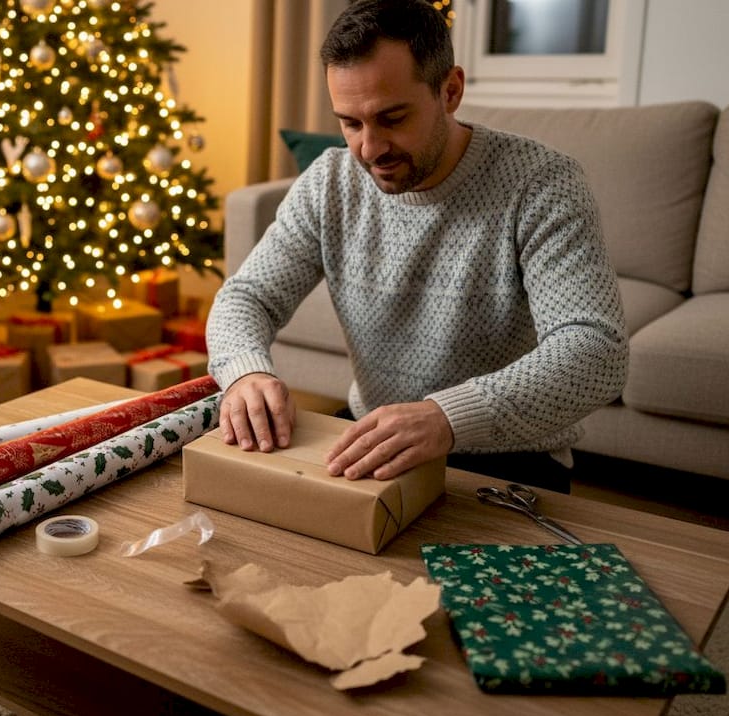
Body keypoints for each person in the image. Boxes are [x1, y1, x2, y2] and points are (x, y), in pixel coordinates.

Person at [205, 0, 628, 493]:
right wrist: (245, 374)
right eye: (351, 122)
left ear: (450, 91)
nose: (368, 149)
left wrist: (446, 417)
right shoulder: (329, 182)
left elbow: (597, 353)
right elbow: (245, 297)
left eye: (392, 118)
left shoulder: (542, 184)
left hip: (508, 461)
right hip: (377, 442)